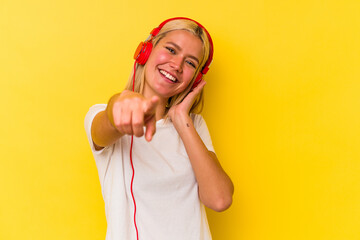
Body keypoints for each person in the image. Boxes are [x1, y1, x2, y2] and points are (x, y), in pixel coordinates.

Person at [84, 17, 234, 240]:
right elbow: (107, 123)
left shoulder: (193, 126)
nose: (177, 65)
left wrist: (181, 118)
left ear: (195, 80)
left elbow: (219, 200)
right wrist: (121, 103)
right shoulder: (100, 113)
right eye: (171, 50)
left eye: (191, 63)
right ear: (146, 51)